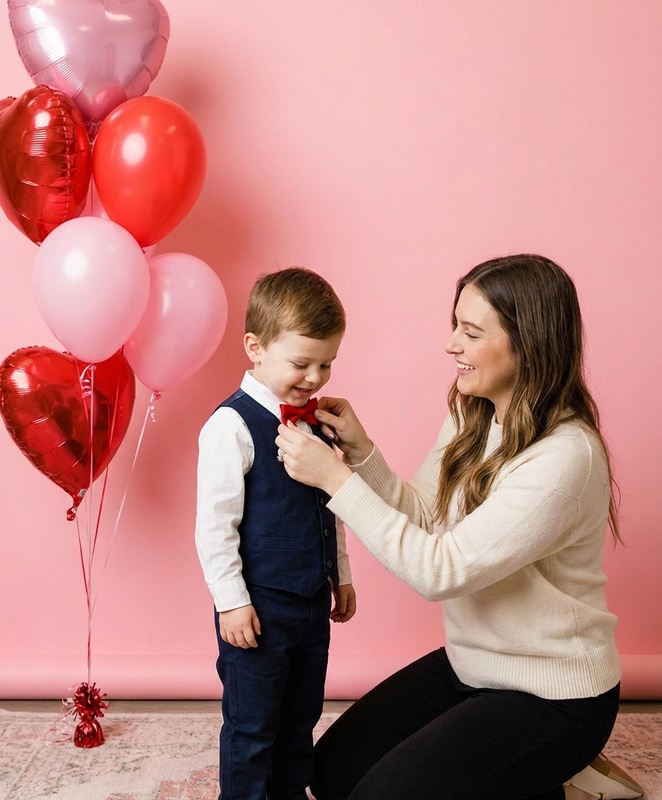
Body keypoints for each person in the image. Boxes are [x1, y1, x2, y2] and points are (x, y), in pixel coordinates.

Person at [276, 254, 645, 800]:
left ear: (529, 344)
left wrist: (337, 483)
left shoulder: (565, 458)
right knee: (329, 775)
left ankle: (559, 773)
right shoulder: (474, 412)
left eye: (470, 333)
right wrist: (360, 455)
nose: (452, 345)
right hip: (472, 667)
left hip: (555, 698)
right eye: (455, 327)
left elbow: (439, 570)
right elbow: (426, 514)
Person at [195, 266, 357, 800]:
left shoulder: (313, 425)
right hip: (258, 609)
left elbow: (330, 504)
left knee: (300, 718)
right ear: (255, 347)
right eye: (301, 363)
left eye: (326, 363)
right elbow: (215, 527)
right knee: (253, 726)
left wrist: (341, 575)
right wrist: (231, 602)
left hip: (311, 605)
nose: (314, 377)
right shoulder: (231, 426)